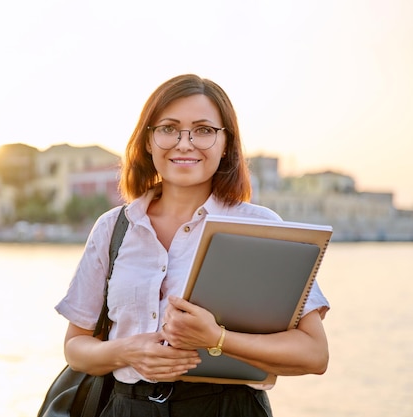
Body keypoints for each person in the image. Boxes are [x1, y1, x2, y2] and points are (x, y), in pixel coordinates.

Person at [55, 74, 330, 416]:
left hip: (227, 408)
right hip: (125, 407)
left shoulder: (259, 227)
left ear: (226, 143)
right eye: (169, 128)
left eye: (203, 130)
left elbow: (314, 354)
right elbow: (75, 348)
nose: (185, 144)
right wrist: (129, 351)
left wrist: (216, 339)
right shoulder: (113, 228)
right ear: (148, 141)